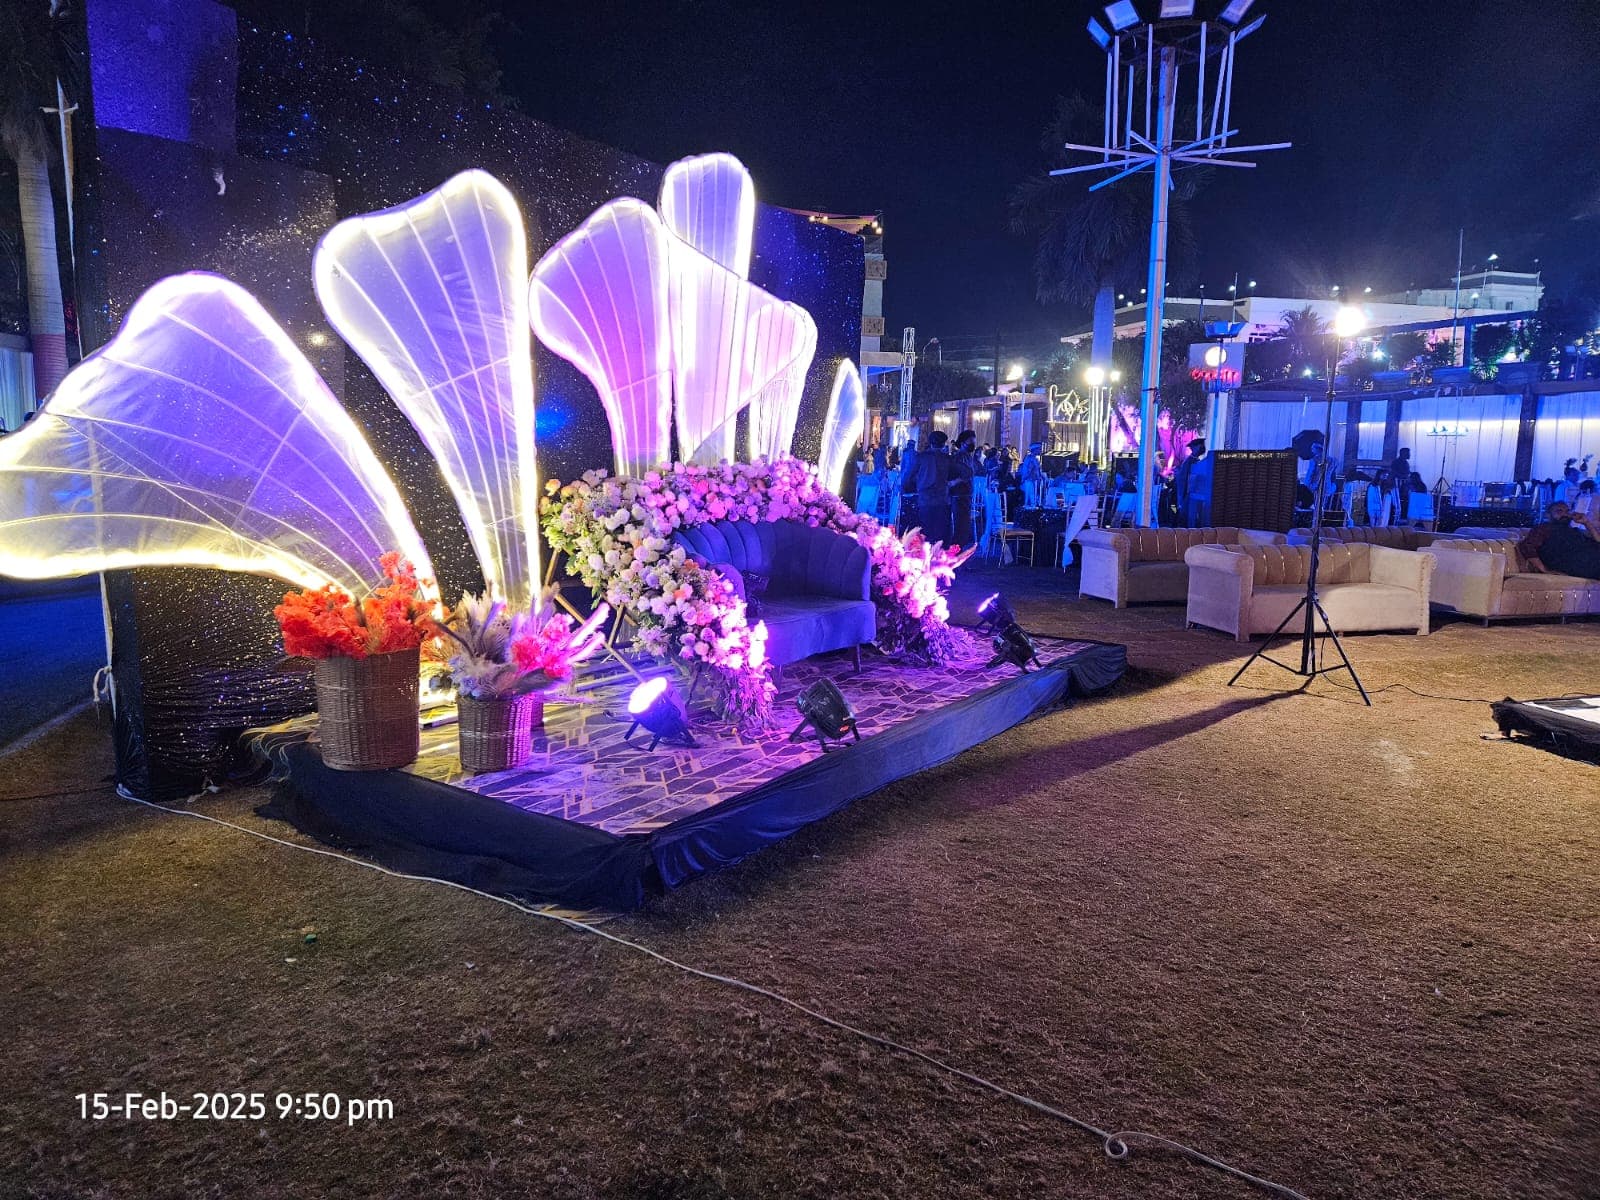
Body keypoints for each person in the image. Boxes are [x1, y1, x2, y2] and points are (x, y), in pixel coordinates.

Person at [1519, 501, 1600, 580]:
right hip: (1572, 562)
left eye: (1567, 511)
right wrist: (1544, 570)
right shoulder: (1544, 528)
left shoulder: (1575, 531)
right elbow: (1527, 546)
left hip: (1589, 560)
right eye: (1559, 511)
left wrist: (1586, 523)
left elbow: (1598, 542)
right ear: (1548, 515)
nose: (1565, 514)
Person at [912, 430, 953, 545]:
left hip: (925, 498)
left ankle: (925, 553)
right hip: (942, 499)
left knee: (925, 531)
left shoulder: (921, 457)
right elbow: (954, 475)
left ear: (930, 442)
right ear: (943, 444)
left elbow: (909, 475)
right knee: (940, 533)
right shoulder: (947, 458)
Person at [949, 429, 978, 547]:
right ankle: (957, 551)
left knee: (963, 525)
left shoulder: (967, 456)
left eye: (974, 441)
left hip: (965, 494)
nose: (973, 444)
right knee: (961, 525)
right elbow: (965, 474)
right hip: (960, 495)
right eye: (970, 441)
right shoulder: (960, 456)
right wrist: (956, 482)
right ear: (962, 443)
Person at [1390, 447, 1413, 519]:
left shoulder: (1406, 463)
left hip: (1404, 487)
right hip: (1398, 487)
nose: (1409, 455)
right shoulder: (1396, 462)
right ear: (1403, 453)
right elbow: (1394, 473)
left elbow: (1406, 472)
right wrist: (1404, 476)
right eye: (1408, 453)